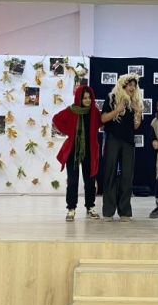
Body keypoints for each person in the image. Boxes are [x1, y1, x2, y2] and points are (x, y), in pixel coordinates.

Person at [52, 85, 103, 221]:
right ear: (79, 99)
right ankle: (71, 208)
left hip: (89, 150)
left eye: (89, 98)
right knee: (73, 181)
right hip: (73, 151)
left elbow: (101, 122)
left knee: (90, 181)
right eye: (84, 98)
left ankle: (90, 207)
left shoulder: (94, 112)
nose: (87, 100)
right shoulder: (71, 110)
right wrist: (69, 131)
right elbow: (56, 119)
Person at [100, 73, 143, 221]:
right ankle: (108, 212)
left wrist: (138, 111)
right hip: (112, 139)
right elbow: (103, 118)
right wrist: (117, 110)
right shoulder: (112, 98)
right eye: (130, 85)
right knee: (110, 174)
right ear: (123, 85)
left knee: (127, 176)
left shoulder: (134, 102)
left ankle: (125, 212)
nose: (133, 88)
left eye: (134, 85)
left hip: (128, 142)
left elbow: (136, 126)